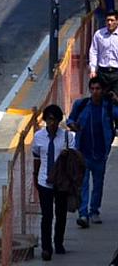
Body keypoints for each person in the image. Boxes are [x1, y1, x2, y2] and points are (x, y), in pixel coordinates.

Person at [68, 76, 118, 227]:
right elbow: (70, 120)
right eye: (93, 89)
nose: (95, 92)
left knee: (98, 184)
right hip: (82, 153)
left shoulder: (108, 107)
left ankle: (94, 210)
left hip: (100, 154)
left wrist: (116, 101)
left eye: (98, 89)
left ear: (103, 91)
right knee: (83, 184)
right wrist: (73, 125)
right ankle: (83, 214)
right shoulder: (81, 105)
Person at [33, 104, 76, 260]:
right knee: (47, 216)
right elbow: (36, 157)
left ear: (59, 121)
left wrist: (66, 154)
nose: (52, 123)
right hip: (44, 180)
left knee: (61, 214)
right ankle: (46, 247)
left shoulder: (67, 137)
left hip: (61, 182)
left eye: (55, 120)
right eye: (49, 119)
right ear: (45, 120)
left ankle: (58, 242)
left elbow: (73, 158)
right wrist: (35, 176)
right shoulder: (38, 137)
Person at [91, 11, 118, 97]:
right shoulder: (99, 34)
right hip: (102, 73)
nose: (109, 23)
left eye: (112, 20)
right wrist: (93, 69)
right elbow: (94, 51)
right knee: (101, 99)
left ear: (117, 21)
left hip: (116, 73)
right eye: (107, 20)